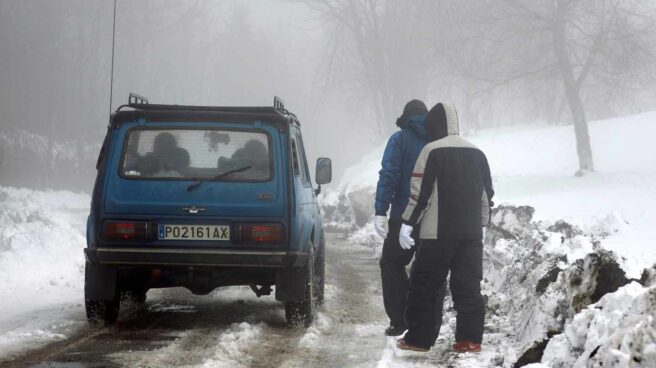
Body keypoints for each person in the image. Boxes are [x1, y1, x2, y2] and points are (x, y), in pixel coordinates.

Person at [396, 103, 494, 353]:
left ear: (433, 125)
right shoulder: (477, 153)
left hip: (436, 234)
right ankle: (469, 340)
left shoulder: (431, 151)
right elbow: (486, 194)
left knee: (425, 285)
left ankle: (418, 339)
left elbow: (420, 194)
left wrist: (407, 223)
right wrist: (483, 223)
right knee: (468, 286)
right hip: (470, 235)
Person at [374, 99, 444, 337]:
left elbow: (390, 175)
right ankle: (430, 324)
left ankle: (400, 320)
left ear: (406, 117)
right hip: (433, 218)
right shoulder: (438, 139)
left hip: (403, 216)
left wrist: (381, 210)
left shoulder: (399, 139)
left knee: (392, 263)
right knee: (430, 270)